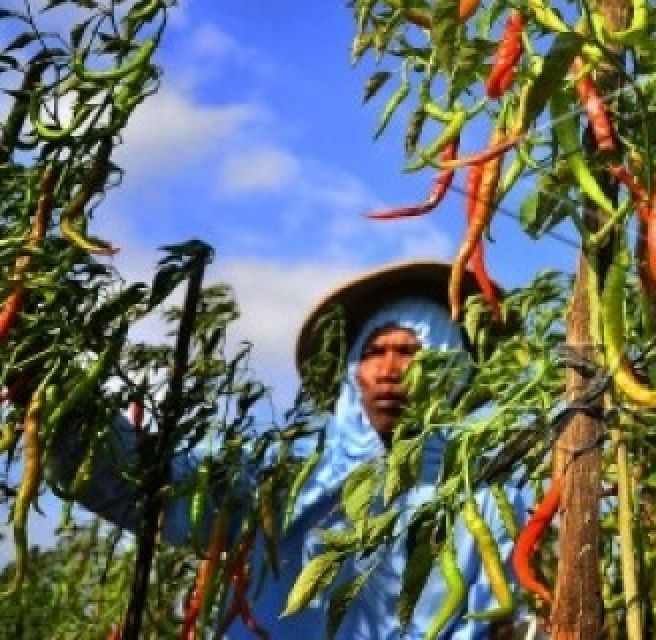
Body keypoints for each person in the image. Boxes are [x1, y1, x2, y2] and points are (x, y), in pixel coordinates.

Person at [45, 258, 528, 639]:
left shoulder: (486, 497)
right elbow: (156, 488)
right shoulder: (288, 480)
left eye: (410, 352)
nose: (387, 370)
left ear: (453, 369)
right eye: (373, 352)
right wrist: (60, 399)